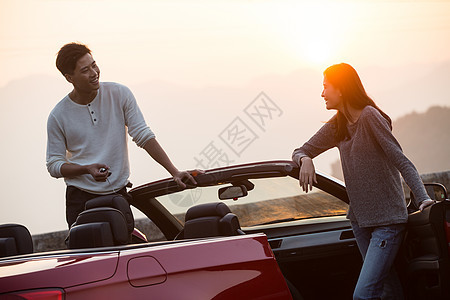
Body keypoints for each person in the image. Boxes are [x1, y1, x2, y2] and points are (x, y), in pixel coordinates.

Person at [291, 63, 434, 300]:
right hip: (359, 221)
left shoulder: (369, 116)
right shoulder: (337, 125)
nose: (322, 93)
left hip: (387, 222)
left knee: (363, 295)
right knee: (387, 288)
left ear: (342, 89)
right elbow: (300, 150)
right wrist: (305, 158)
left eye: (326, 87)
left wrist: (423, 198)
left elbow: (401, 160)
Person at [47, 42, 197, 228]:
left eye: (94, 65)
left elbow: (143, 135)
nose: (94, 73)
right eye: (85, 70)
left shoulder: (119, 94)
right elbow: (54, 165)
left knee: (123, 253)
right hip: (80, 199)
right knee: (89, 256)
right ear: (69, 77)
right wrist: (86, 169)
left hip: (118, 195)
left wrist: (174, 172)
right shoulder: (58, 115)